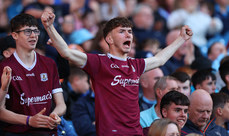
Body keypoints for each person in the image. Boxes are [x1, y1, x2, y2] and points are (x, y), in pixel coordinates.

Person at [41, 10, 192, 135]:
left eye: (130, 32)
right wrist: (49, 27)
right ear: (109, 39)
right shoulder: (99, 62)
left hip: (135, 132)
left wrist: (181, 38)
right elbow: (67, 52)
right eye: (122, 32)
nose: (128, 35)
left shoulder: (136, 64)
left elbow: (160, 59)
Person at [0, 13, 66, 135]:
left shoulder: (49, 63)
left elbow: (61, 104)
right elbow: (0, 111)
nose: (33, 35)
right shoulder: (4, 67)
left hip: (47, 131)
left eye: (36, 31)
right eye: (27, 31)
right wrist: (29, 120)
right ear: (14, 35)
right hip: (17, 132)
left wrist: (54, 115)